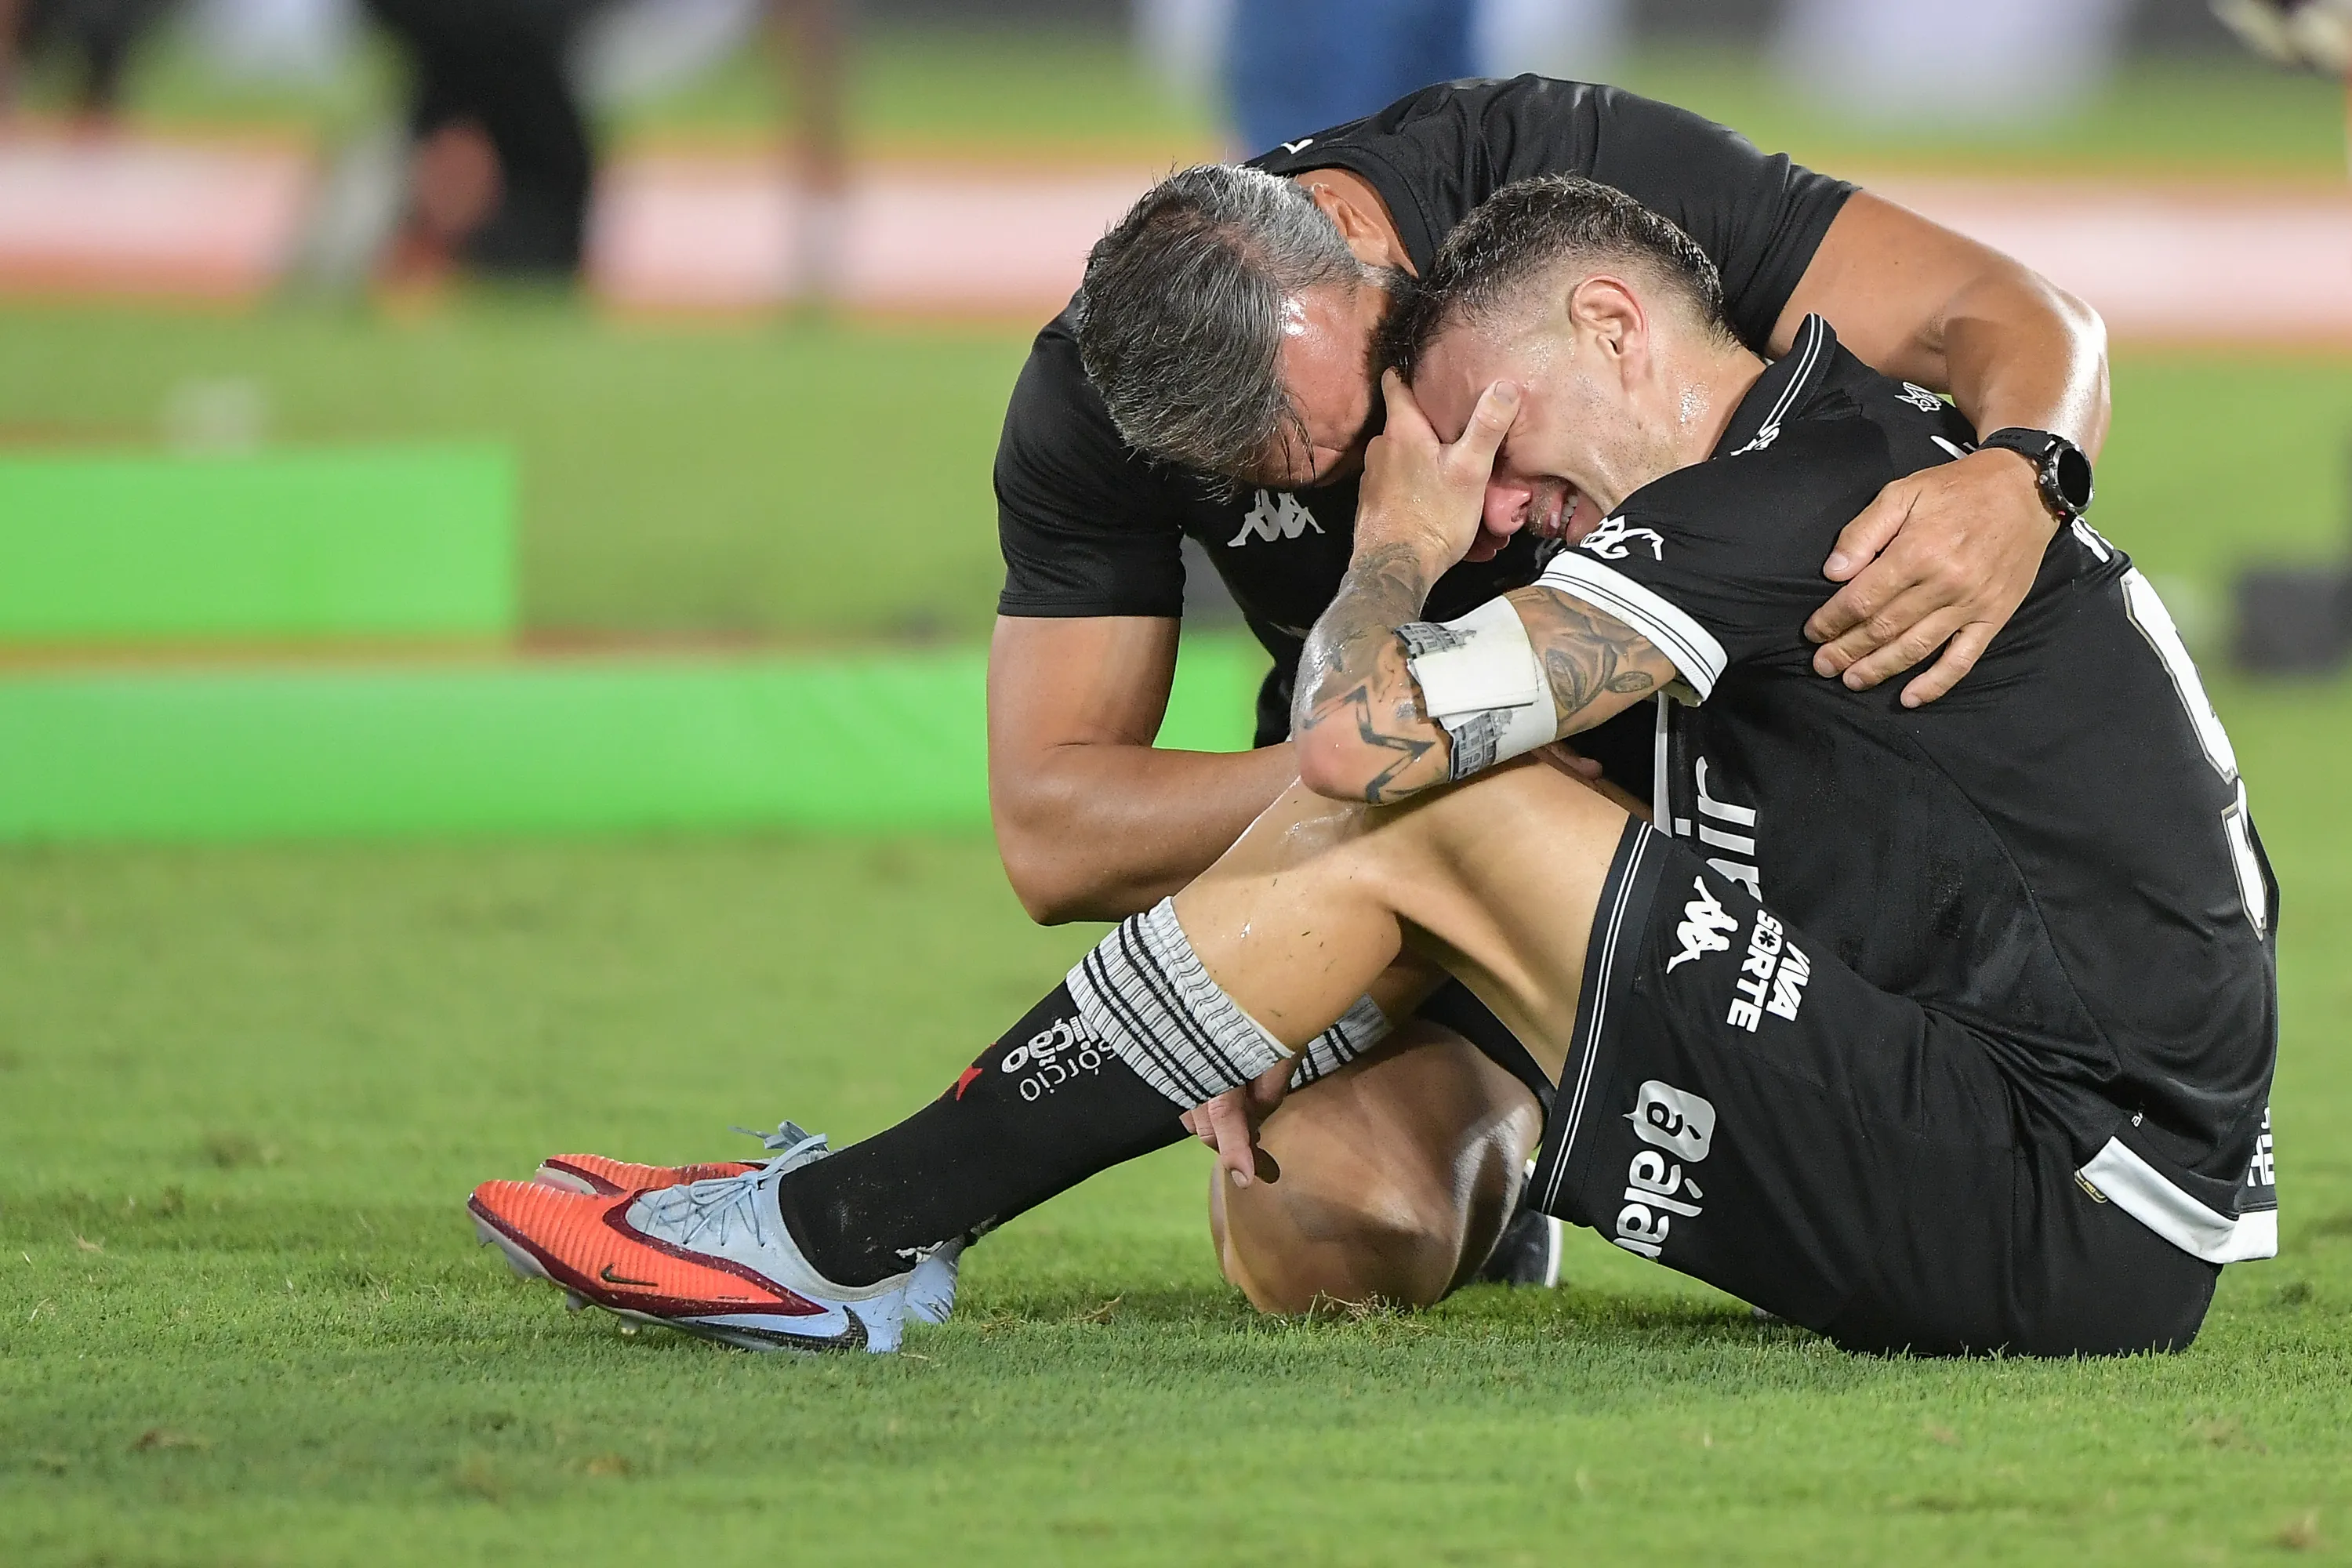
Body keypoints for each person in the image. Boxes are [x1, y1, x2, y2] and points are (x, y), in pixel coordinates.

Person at [467, 175, 2275, 1358]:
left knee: (1437, 786)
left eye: (1494, 435)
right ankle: (1468, 1174)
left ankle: (843, 1227)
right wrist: (1277, 992)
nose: (1500, 503)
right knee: (1313, 1219)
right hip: (2045, 1149)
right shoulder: (1813, 470)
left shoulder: (1773, 502)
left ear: (1615, 328)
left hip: (2066, 1196)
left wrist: (1397, 553)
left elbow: (1356, 747)